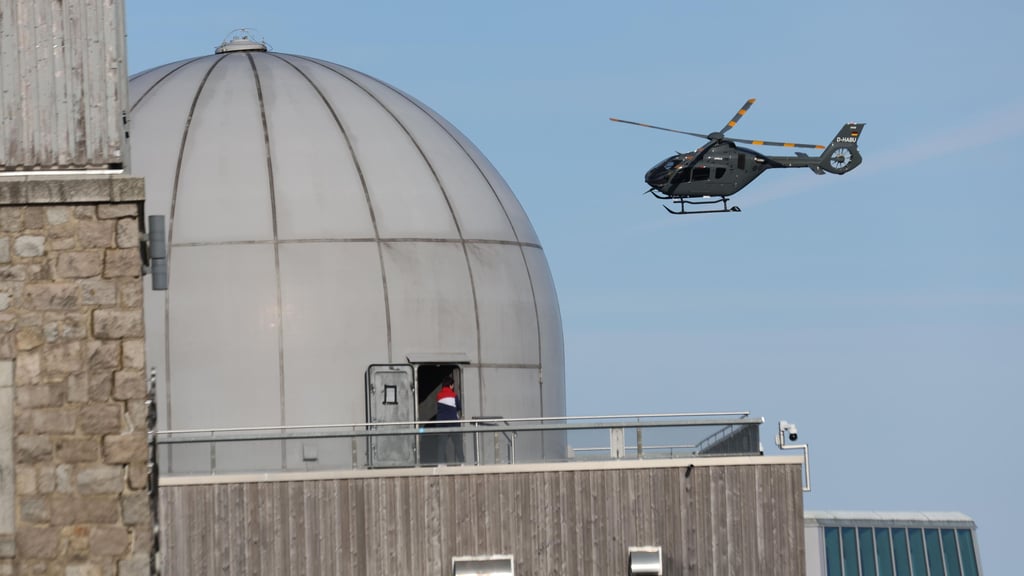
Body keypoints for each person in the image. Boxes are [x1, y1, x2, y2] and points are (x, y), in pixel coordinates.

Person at [435, 374, 463, 464]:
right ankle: (462, 462)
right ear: (450, 385)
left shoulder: (439, 395)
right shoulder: (453, 395)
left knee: (442, 445)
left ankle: (441, 464)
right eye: (453, 385)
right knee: (457, 444)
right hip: (453, 423)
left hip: (441, 423)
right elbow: (459, 407)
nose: (453, 387)